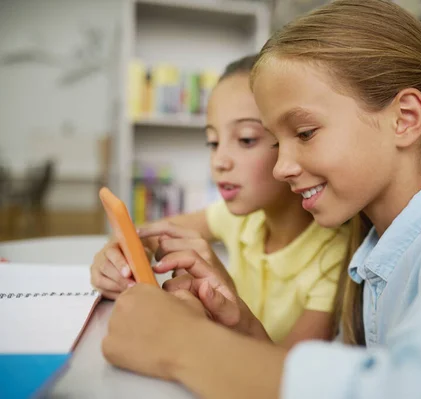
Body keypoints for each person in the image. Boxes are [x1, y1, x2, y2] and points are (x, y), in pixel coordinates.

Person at [101, 1, 421, 398]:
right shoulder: (374, 255)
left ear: (405, 118)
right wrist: (240, 323)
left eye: (305, 132)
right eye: (277, 141)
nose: (281, 167)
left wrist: (185, 344)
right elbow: (341, 380)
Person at [90, 54, 351, 347]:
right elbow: (152, 232)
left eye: (246, 139)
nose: (219, 161)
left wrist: (226, 293)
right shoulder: (241, 218)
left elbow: (286, 378)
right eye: (213, 143)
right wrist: (116, 256)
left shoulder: (335, 255)